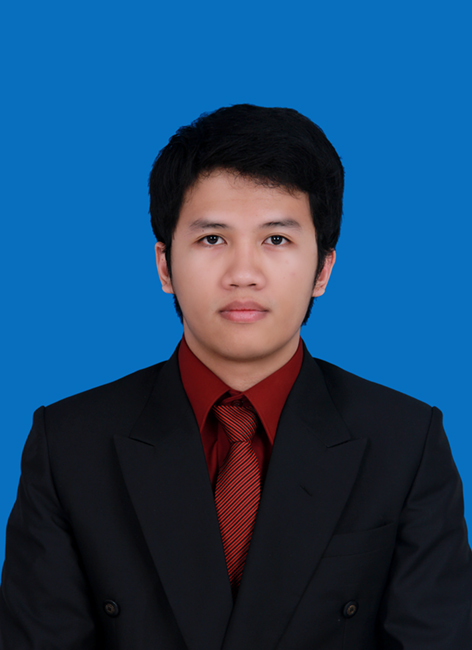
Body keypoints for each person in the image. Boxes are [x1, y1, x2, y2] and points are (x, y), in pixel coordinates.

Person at [0, 104, 471, 649]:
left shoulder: (406, 443)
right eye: (212, 239)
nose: (243, 274)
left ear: (323, 269)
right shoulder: (69, 445)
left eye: (276, 239)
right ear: (164, 265)